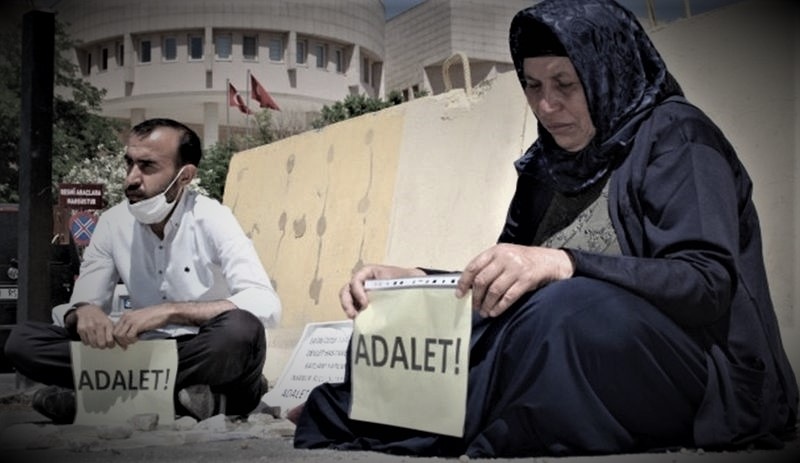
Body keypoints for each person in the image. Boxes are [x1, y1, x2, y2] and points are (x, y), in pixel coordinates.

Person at [293, 0, 798, 457]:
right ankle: (378, 410)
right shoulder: (548, 166)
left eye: (565, 84)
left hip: (701, 379)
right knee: (410, 316)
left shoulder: (677, 137)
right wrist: (415, 278)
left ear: (607, 74)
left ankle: (375, 417)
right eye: (533, 86)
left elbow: (705, 283)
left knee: (564, 308)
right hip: (567, 346)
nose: (546, 106)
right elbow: (506, 292)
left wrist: (566, 263)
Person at [4, 118, 282, 424]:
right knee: (23, 341)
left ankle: (100, 399)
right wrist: (83, 313)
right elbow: (84, 302)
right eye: (129, 165)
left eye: (147, 166)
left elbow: (264, 303)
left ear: (184, 176)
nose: (131, 180)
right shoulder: (112, 223)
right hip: (136, 351)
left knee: (242, 331)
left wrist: (170, 311)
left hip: (199, 350)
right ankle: (186, 401)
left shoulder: (213, 218)